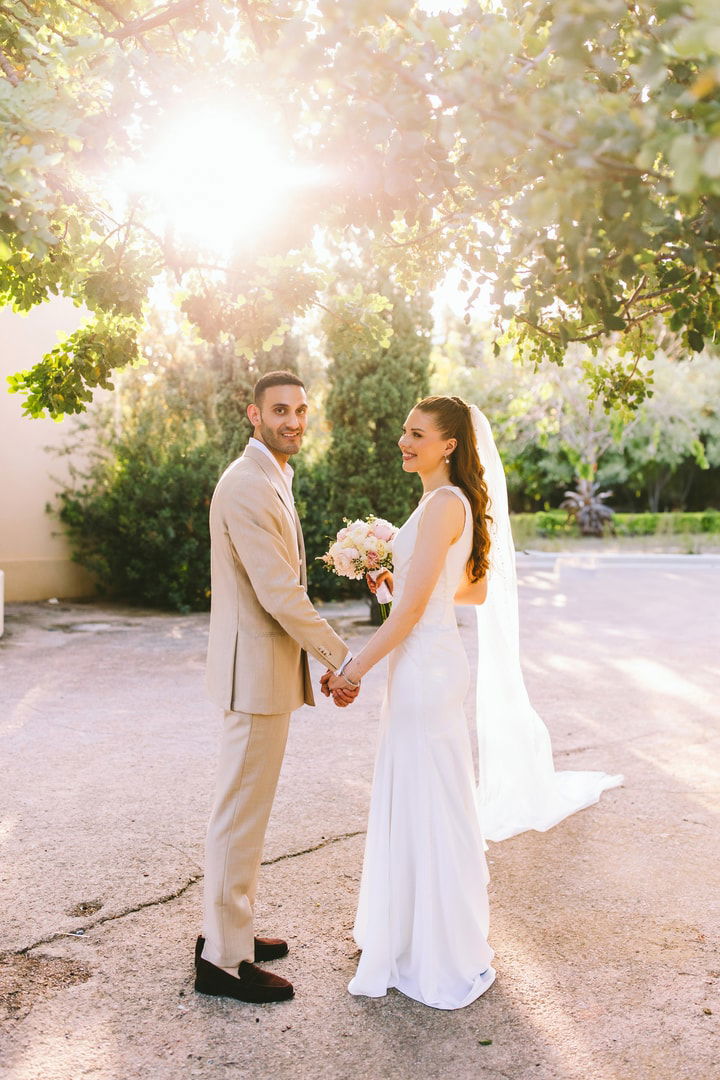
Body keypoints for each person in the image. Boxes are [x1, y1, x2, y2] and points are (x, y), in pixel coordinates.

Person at [325, 394, 497, 1009]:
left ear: (448, 445)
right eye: (405, 429)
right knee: (423, 795)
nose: (405, 440)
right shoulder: (441, 504)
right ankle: (411, 936)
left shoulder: (446, 503)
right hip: (426, 664)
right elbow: (461, 594)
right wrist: (390, 581)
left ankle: (437, 951)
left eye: (417, 433)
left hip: (425, 673)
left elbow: (424, 608)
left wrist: (353, 668)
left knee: (430, 801)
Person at [195, 370, 358, 1005]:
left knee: (242, 811)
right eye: (280, 410)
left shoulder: (272, 475)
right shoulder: (245, 483)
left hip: (262, 669)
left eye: (300, 410)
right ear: (252, 414)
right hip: (254, 674)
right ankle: (224, 960)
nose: (293, 420)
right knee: (238, 815)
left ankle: (224, 928)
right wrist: (342, 657)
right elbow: (278, 592)